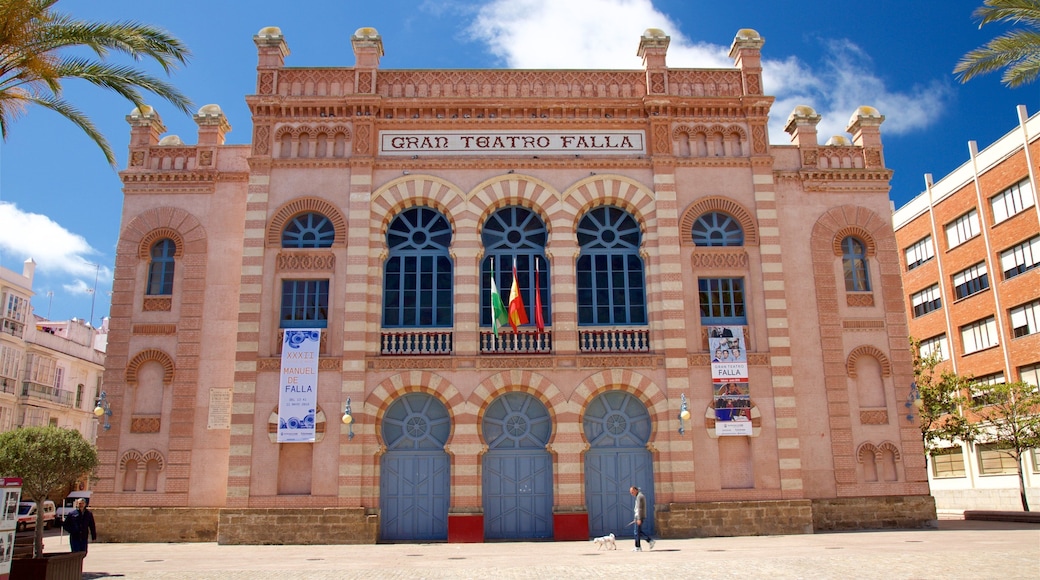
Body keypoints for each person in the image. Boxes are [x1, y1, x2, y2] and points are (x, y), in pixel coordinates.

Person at [629, 486, 655, 551]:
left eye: (632, 492)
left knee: (636, 532)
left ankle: (638, 547)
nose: (632, 494)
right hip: (638, 516)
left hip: (639, 516)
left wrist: (639, 518)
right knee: (638, 531)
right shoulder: (638, 496)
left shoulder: (640, 496)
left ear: (635, 490)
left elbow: (640, 508)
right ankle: (650, 541)